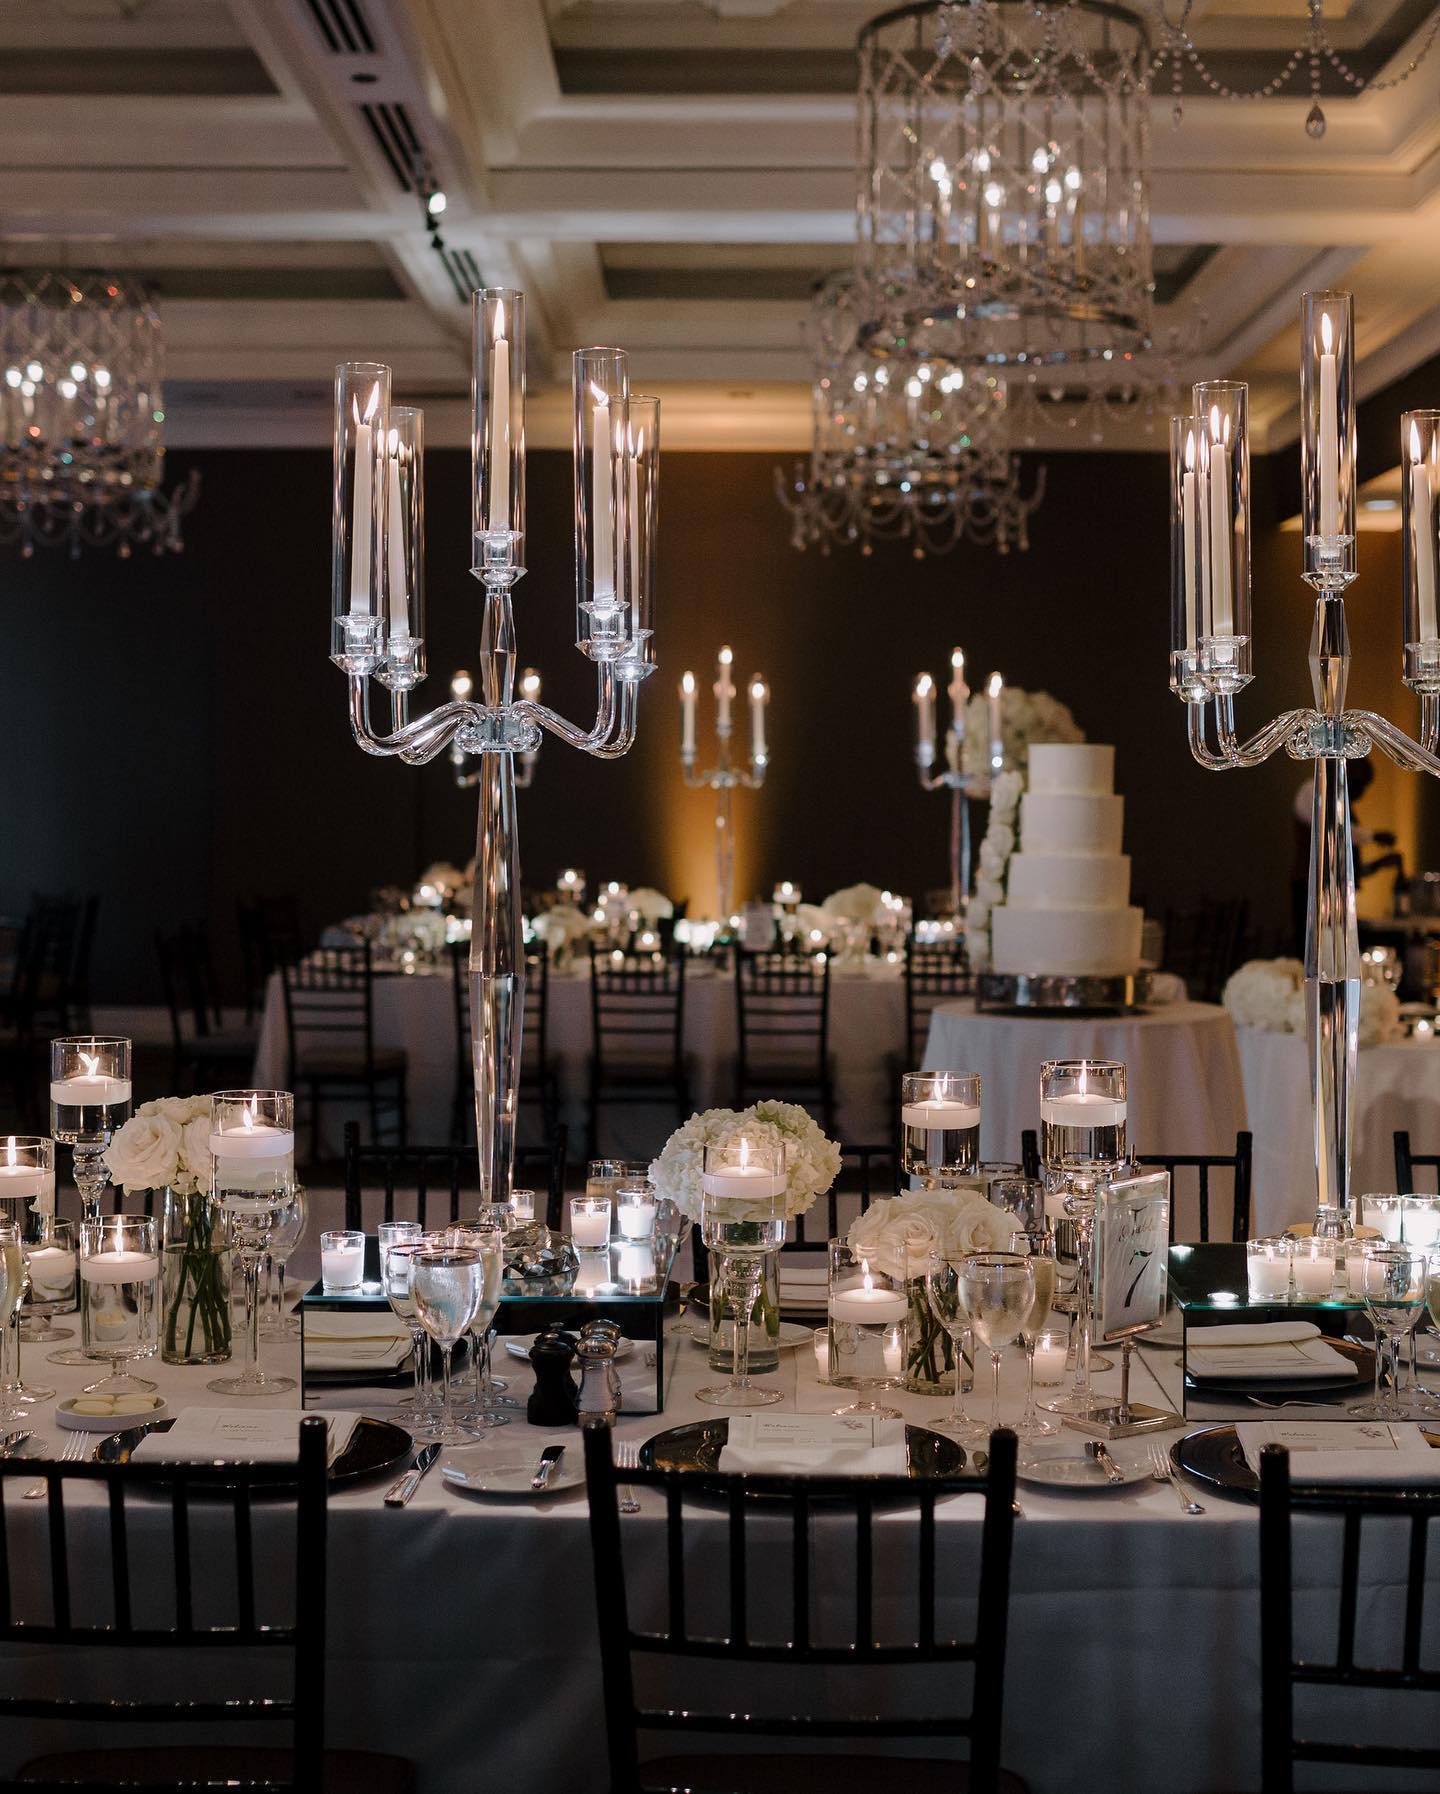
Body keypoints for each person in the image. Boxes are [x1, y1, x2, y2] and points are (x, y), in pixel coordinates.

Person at [1290, 757, 1404, 949]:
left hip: (1336, 892)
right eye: (1358, 784)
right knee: (1315, 948)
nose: (1360, 793)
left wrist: (1376, 865)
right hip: (1312, 887)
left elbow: (1344, 864)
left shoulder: (1342, 804)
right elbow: (1334, 827)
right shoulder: (1313, 790)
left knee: (1336, 948)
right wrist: (1374, 836)